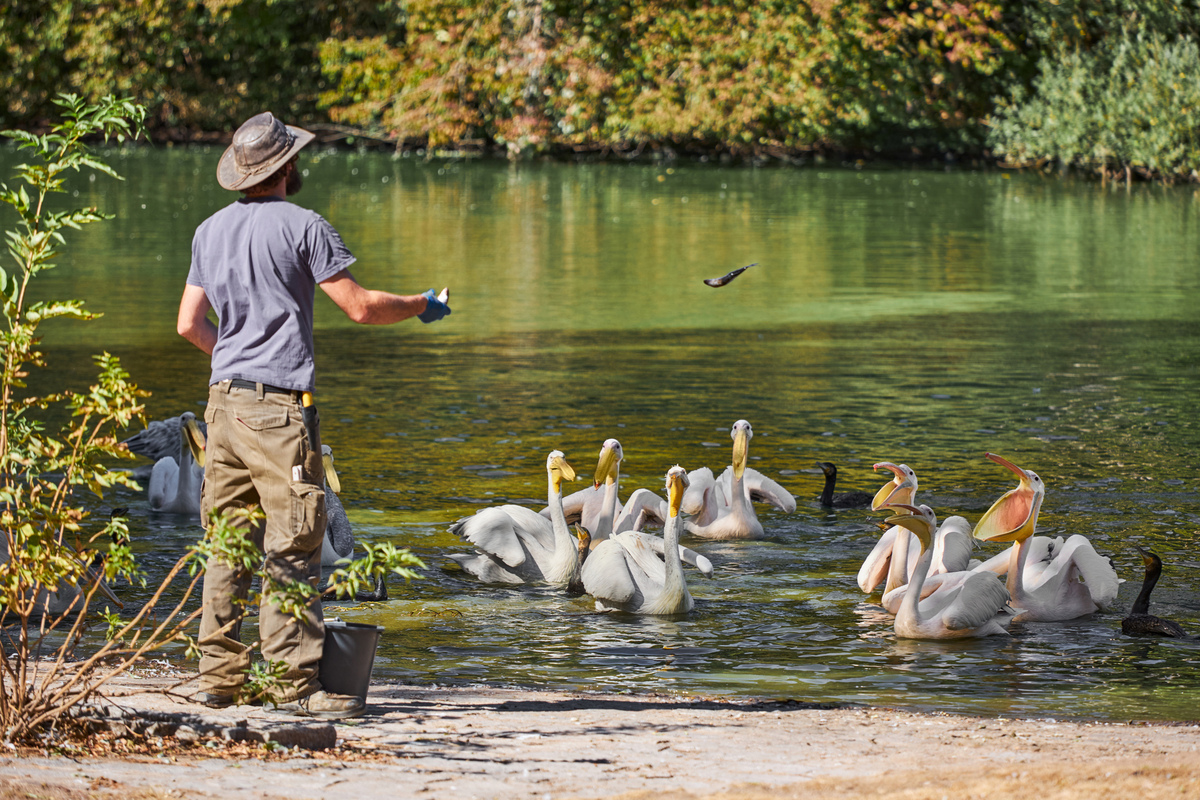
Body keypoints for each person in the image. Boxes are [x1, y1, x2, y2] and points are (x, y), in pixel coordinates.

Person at [176, 112, 451, 719]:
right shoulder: (305, 226)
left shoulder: (208, 231)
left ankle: (218, 680)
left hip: (222, 405)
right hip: (278, 412)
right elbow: (358, 307)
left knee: (227, 543)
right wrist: (421, 304)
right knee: (295, 546)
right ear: (286, 166)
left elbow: (188, 325)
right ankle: (294, 686)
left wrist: (231, 358)